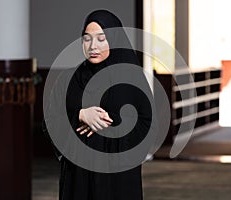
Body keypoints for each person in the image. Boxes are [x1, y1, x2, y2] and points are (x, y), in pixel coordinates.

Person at [44, 9, 153, 200]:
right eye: (87, 39)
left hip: (118, 176)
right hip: (78, 175)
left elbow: (147, 123)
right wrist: (80, 115)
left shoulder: (132, 79)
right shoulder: (69, 79)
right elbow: (50, 120)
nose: (93, 46)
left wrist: (107, 124)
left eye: (101, 39)